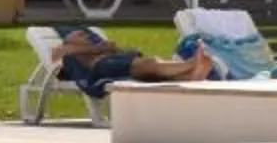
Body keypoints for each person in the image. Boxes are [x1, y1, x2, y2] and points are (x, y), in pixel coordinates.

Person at [51, 23, 217, 97]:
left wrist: (97, 48)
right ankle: (191, 64)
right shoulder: (67, 52)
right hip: (103, 67)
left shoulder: (87, 48)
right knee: (149, 64)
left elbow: (112, 46)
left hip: (115, 63)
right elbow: (56, 56)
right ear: (68, 39)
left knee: (149, 71)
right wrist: (94, 49)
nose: (87, 35)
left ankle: (189, 76)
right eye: (81, 34)